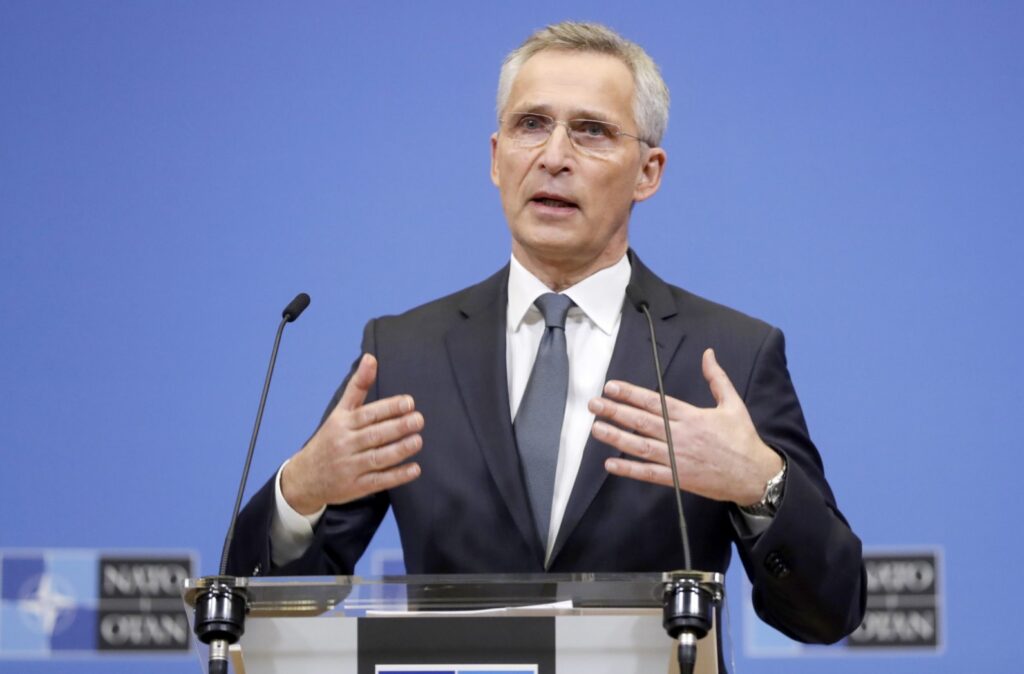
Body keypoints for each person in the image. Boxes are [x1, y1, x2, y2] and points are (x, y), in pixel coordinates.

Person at [228, 21, 865, 644]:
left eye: (591, 131)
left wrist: (761, 485)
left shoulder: (728, 357)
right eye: (531, 124)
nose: (554, 157)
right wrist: (299, 493)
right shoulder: (405, 355)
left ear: (648, 172)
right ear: (496, 157)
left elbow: (830, 610)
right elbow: (253, 610)